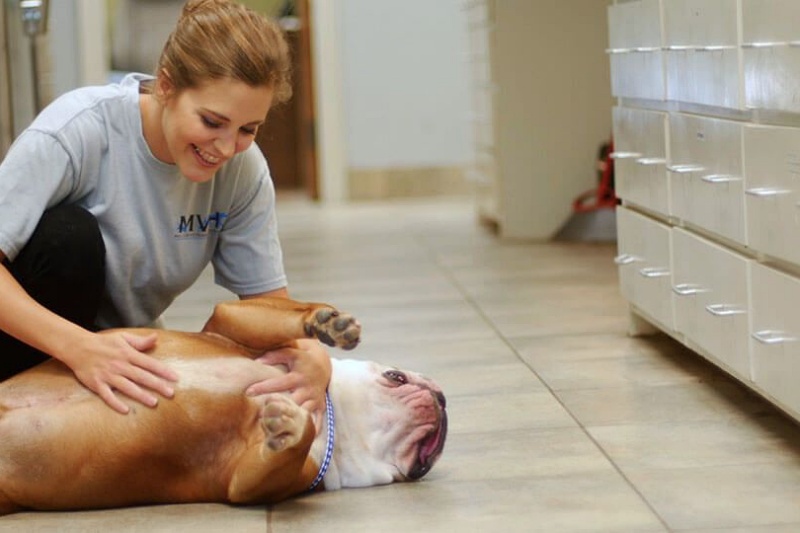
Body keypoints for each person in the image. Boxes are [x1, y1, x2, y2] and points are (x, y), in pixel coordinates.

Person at [0, 0, 331, 419]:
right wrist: (78, 347)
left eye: (248, 129)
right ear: (167, 86)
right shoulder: (77, 129)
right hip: (36, 344)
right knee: (71, 237)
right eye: (212, 122)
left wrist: (309, 351)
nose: (226, 148)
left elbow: (267, 305)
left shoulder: (243, 170)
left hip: (112, 349)